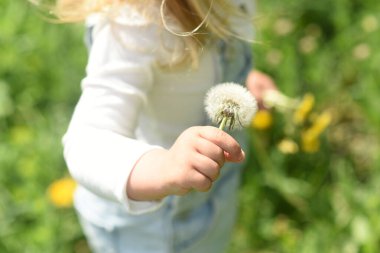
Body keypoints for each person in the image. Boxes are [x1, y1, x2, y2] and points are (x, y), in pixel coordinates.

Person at [45, 0, 276, 252]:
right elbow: (87, 141)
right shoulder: (134, 23)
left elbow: (211, 60)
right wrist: (164, 166)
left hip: (211, 202)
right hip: (146, 228)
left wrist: (239, 79)